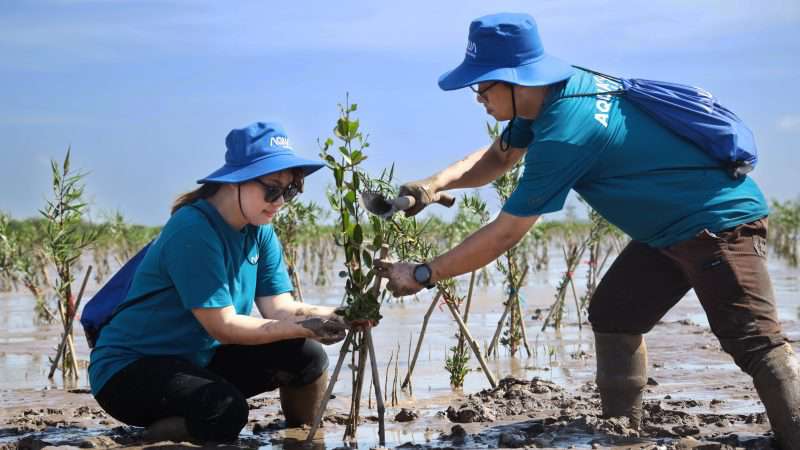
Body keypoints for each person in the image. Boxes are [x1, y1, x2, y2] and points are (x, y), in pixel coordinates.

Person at [375, 13, 800, 448]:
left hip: (718, 224)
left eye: (483, 86)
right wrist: (434, 184)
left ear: (515, 81)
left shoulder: (565, 135)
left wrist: (424, 273)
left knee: (754, 343)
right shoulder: (561, 90)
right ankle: (623, 434)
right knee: (616, 314)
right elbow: (500, 158)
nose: (478, 97)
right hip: (667, 233)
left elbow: (505, 233)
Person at [89, 122, 352, 443]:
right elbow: (223, 326)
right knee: (224, 410)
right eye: (272, 188)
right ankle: (144, 442)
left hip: (197, 359)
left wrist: (340, 314)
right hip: (129, 370)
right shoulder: (193, 229)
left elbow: (280, 307)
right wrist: (306, 325)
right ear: (234, 181)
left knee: (306, 355)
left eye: (290, 189)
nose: (280, 200)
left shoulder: (260, 229)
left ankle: (302, 439)